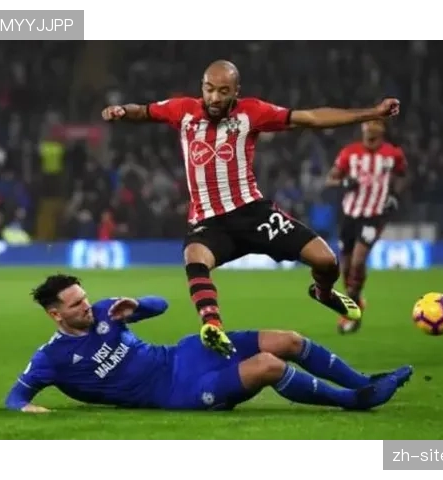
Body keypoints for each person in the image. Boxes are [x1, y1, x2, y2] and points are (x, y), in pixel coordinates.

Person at [101, 60, 401, 357]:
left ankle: (323, 293)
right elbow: (144, 111)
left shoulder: (251, 112)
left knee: (327, 261)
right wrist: (122, 111)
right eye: (209, 89)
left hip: (253, 213)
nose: (214, 97)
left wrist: (373, 113)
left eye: (223, 91)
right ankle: (212, 325)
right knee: (194, 257)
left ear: (236, 91)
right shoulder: (183, 110)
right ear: (201, 88)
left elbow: (309, 117)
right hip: (209, 221)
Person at [4, 274, 413, 413]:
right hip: (177, 392)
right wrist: (25, 408)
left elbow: (162, 305)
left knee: (289, 340)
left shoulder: (106, 311)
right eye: (76, 305)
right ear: (55, 315)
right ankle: (353, 401)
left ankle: (364, 382)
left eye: (84, 298)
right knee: (269, 365)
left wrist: (139, 305)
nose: (86, 306)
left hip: (185, 354)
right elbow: (15, 397)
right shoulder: (51, 358)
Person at [325, 120, 407, 334]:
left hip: (374, 215)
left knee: (358, 260)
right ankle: (356, 300)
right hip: (349, 214)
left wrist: (395, 195)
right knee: (345, 266)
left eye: (374, 133)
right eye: (367, 132)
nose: (371, 137)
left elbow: (402, 175)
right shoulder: (349, 153)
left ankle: (351, 311)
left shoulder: (393, 154)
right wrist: (343, 183)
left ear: (382, 133)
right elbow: (330, 179)